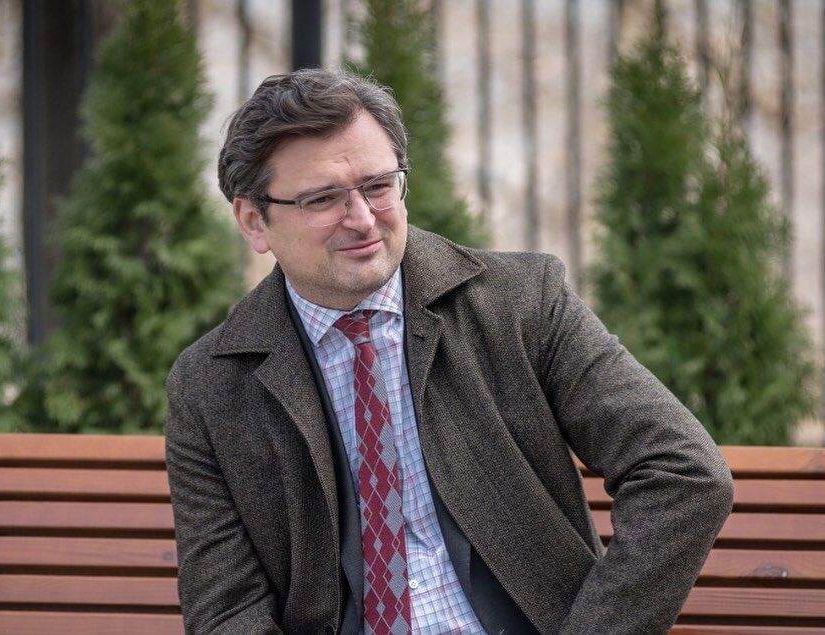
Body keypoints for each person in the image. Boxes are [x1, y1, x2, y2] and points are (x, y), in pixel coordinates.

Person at [165, 68, 733, 635]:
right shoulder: (209, 384)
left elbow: (684, 473)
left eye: (378, 186)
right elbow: (227, 610)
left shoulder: (521, 302)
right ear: (254, 221)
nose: (361, 219)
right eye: (323, 199)